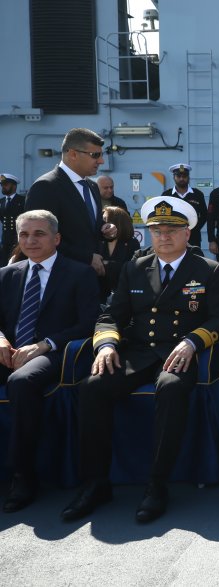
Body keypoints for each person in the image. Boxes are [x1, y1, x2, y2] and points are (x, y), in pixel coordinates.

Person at [62, 197, 219, 524]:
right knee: (91, 388)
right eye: (156, 230)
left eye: (171, 230)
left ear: (187, 234)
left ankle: (157, 484)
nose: (163, 236)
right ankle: (96, 483)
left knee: (171, 388)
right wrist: (106, 346)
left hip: (180, 353)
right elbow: (110, 315)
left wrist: (192, 342)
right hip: (137, 352)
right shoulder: (135, 268)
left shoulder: (208, 271)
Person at [0, 210, 100, 513]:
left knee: (21, 381)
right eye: (24, 234)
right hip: (8, 349)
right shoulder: (6, 274)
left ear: (56, 239)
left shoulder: (79, 274)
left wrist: (45, 344)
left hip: (53, 352)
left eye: (39, 234)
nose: (30, 240)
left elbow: (89, 323)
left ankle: (23, 475)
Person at [24, 128, 118, 276]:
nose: (101, 161)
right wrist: (86, 258)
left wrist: (106, 230)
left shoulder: (92, 186)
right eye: (95, 155)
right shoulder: (46, 187)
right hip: (60, 278)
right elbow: (39, 238)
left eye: (101, 155)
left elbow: (87, 228)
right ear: (73, 154)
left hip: (90, 277)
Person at [160, 164, 208, 248]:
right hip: (172, 237)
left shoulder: (197, 194)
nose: (181, 179)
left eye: (184, 176)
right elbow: (162, 216)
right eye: (178, 176)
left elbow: (204, 215)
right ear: (174, 177)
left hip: (193, 237)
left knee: (194, 256)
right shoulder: (166, 195)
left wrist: (193, 228)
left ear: (188, 177)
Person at [98, 206, 141, 298]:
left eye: (104, 220)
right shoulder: (98, 242)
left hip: (122, 295)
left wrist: (104, 264)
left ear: (116, 222)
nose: (101, 223)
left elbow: (131, 269)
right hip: (99, 294)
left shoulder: (132, 243)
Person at [1, 173, 26, 267]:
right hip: (5, 239)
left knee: (16, 263)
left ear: (14, 186)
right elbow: (3, 219)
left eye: (6, 184)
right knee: (4, 264)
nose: (3, 187)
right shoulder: (1, 202)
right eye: (2, 185)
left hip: (17, 238)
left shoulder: (22, 200)